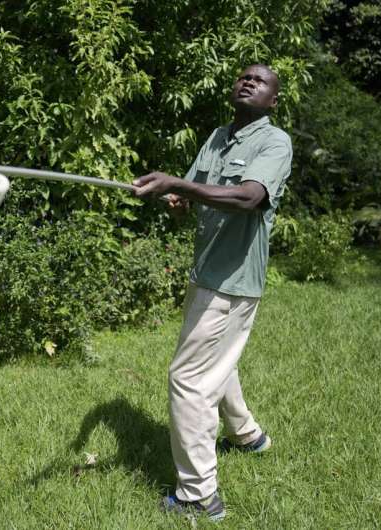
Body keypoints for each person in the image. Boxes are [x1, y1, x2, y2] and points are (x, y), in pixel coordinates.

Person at [132, 64, 293, 522]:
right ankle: (248, 435)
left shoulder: (274, 142)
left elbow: (247, 198)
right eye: (243, 77)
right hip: (206, 273)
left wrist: (179, 185)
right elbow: (191, 197)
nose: (248, 83)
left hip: (232, 281)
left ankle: (199, 496)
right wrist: (177, 202)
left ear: (272, 100)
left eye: (259, 82)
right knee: (218, 361)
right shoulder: (218, 137)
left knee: (188, 379)